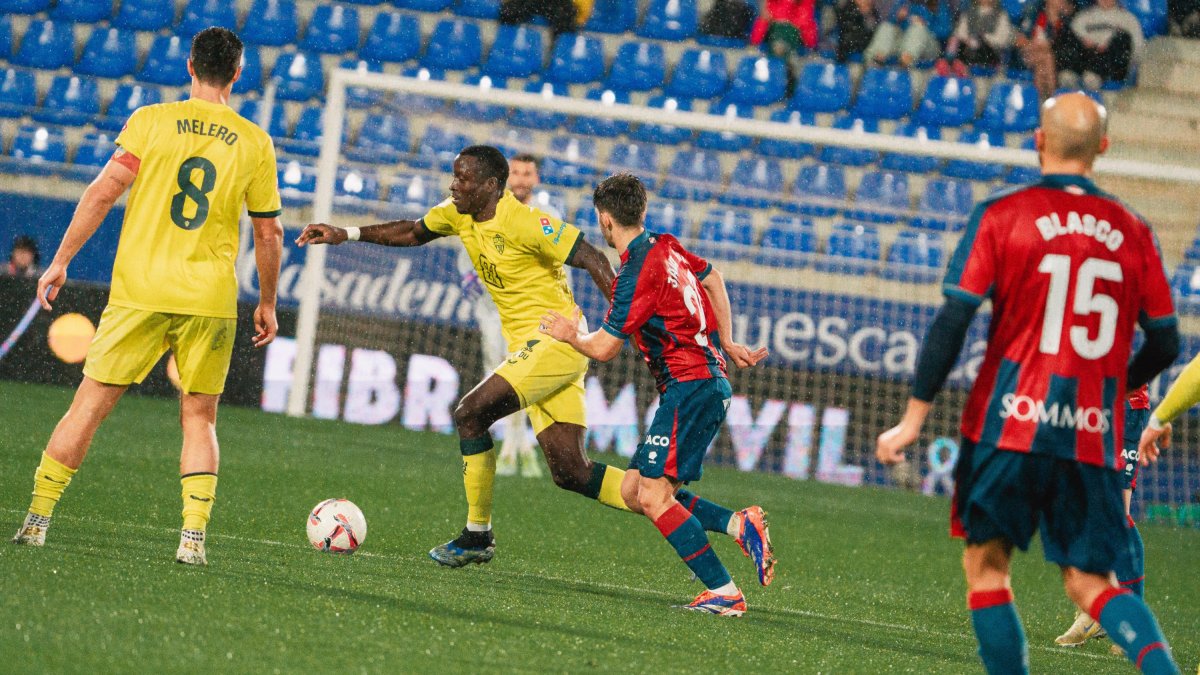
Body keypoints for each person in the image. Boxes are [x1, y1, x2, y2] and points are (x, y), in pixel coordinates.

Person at [876, 93, 1181, 674]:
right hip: (1088, 431)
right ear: (1104, 150)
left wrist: (914, 417)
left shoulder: (1003, 214)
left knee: (988, 568)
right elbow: (1166, 343)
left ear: (1038, 141)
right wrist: (1115, 392)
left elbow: (952, 321)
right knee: (1090, 581)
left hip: (1008, 422)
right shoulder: (1134, 231)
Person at [10, 27, 284, 567]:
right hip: (208, 298)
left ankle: (36, 522)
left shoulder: (151, 121)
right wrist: (268, 302)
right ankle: (192, 540)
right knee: (200, 418)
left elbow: (103, 190)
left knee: (86, 409)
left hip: (139, 291)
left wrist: (61, 260)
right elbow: (268, 233)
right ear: (236, 73)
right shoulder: (254, 141)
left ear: (189, 66)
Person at [296, 146, 632, 568]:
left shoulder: (528, 222)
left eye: (464, 179)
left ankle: (477, 534)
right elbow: (415, 232)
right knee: (571, 472)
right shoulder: (459, 213)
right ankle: (687, 509)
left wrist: (623, 323)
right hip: (536, 349)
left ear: (491, 186)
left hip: (557, 342)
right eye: (454, 177)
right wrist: (347, 233)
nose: (454, 186)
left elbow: (593, 258)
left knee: (470, 413)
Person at [539, 174, 775, 615]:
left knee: (652, 496)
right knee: (634, 489)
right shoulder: (664, 244)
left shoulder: (634, 274)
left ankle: (724, 593)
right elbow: (714, 279)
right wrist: (727, 340)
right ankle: (737, 523)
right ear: (642, 213)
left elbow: (605, 349)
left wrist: (572, 335)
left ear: (605, 221)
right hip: (703, 383)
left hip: (690, 387)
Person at [458, 153, 549, 479]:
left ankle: (515, 448)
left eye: (528, 173)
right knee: (498, 375)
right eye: (517, 173)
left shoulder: (547, 216)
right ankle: (514, 445)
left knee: (523, 377)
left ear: (536, 179)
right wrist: (484, 295)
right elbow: (466, 258)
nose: (522, 179)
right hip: (493, 312)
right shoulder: (486, 209)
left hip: (530, 314)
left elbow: (558, 263)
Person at [1055, 387, 1151, 654]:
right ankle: (1094, 609)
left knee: (1116, 514)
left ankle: (1133, 619)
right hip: (1085, 404)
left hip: (1125, 406)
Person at [1062, 0, 1145, 90]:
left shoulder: (1128, 18)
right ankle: (1073, 78)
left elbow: (1138, 48)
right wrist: (1087, 42)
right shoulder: (1083, 17)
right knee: (1069, 35)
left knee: (1122, 38)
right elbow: (1072, 38)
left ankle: (1095, 77)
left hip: (1112, 65)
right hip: (1088, 59)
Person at [1015, 0, 1079, 101]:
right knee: (1046, 57)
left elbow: (1066, 48)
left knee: (1044, 61)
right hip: (1028, 54)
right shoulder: (1034, 13)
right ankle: (1051, 99)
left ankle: (1041, 102)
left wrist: (1047, 47)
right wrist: (1036, 45)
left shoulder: (1065, 21)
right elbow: (1019, 40)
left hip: (1054, 59)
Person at [939, 0, 1014, 75]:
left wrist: (984, 38)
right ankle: (950, 64)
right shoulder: (968, 13)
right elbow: (960, 32)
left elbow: (1002, 39)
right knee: (955, 41)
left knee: (983, 49)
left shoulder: (1001, 14)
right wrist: (971, 40)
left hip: (990, 52)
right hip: (969, 48)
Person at [864, 0, 944, 68]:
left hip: (928, 45)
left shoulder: (939, 3)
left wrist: (926, 24)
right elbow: (891, 23)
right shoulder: (903, 2)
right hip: (904, 44)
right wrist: (898, 18)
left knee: (918, 29)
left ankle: (905, 63)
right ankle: (876, 61)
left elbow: (945, 31)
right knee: (887, 27)